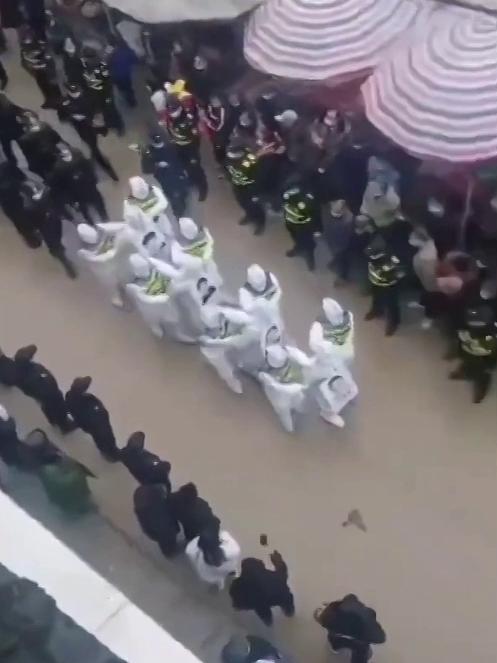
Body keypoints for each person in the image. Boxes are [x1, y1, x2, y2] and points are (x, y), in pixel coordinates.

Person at [126, 253, 194, 341]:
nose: (144, 270)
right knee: (153, 320)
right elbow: (135, 295)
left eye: (145, 266)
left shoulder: (157, 274)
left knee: (174, 319)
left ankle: (178, 333)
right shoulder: (134, 285)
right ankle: (155, 326)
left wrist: (183, 285)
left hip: (165, 304)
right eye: (140, 268)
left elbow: (171, 286)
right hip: (149, 308)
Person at [20, 180, 77, 279]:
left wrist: (36, 231)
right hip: (54, 219)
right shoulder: (45, 193)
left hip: (45, 226)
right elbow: (56, 204)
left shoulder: (28, 206)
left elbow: (33, 221)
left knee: (54, 246)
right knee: (57, 238)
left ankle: (66, 263)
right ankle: (62, 253)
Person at [61, 82, 118, 180]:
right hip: (82, 128)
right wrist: (73, 117)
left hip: (91, 124)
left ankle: (101, 160)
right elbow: (64, 116)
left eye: (77, 92)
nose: (76, 94)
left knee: (94, 145)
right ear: (69, 92)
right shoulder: (67, 102)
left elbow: (94, 108)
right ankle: (102, 162)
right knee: (92, 146)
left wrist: (91, 117)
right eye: (73, 93)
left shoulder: (86, 96)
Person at [13, 345, 75, 433]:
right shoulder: (27, 374)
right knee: (55, 404)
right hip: (48, 393)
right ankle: (64, 426)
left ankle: (53, 420)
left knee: (48, 404)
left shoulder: (22, 368)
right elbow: (35, 387)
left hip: (44, 392)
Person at [199, 303, 259, 394]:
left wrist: (210, 341)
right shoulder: (238, 316)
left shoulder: (247, 335)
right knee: (223, 367)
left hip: (223, 339)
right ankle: (232, 381)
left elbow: (230, 342)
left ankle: (242, 369)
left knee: (242, 354)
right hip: (216, 340)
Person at [77, 222, 137, 308]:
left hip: (114, 262)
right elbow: (101, 258)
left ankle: (125, 287)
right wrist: (113, 247)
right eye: (93, 244)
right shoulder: (84, 252)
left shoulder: (102, 230)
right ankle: (116, 298)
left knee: (123, 275)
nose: (96, 244)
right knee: (111, 284)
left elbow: (121, 227)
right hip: (102, 269)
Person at [229, 551, 295, 626]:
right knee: (287, 597)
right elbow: (282, 572)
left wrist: (237, 606)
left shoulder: (238, 583)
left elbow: (233, 593)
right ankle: (289, 613)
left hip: (257, 602)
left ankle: (268, 624)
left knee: (262, 610)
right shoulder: (271, 576)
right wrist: (278, 561)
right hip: (275, 597)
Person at [314, 594, 386, 663]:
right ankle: (336, 644)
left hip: (355, 631)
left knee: (357, 646)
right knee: (360, 649)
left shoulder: (348, 603)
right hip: (361, 632)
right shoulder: (364, 615)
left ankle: (335, 645)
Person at [49, 143, 108, 222]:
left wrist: (93, 180)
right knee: (85, 210)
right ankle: (92, 222)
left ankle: (104, 219)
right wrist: (71, 200)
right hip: (77, 193)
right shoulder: (59, 167)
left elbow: (89, 168)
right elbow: (62, 185)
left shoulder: (78, 156)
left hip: (88, 187)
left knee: (99, 204)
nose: (65, 152)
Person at [258, 344, 310, 433]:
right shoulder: (294, 362)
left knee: (285, 415)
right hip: (297, 391)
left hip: (282, 398)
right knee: (299, 406)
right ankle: (301, 417)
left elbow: (265, 380)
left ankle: (290, 432)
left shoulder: (267, 376)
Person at [450, 305, 497, 403]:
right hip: (473, 348)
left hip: (487, 353)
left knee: (483, 373)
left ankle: (481, 391)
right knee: (469, 360)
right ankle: (464, 373)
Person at [65, 376, 119, 460]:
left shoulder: (69, 395)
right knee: (104, 440)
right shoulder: (88, 401)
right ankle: (109, 454)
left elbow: (70, 409)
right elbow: (99, 413)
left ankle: (107, 451)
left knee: (100, 439)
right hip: (96, 427)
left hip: (86, 424)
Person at [165, 94, 207, 202]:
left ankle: (203, 187)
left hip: (190, 147)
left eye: (174, 109)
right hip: (179, 145)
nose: (171, 111)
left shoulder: (188, 120)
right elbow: (169, 128)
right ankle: (192, 179)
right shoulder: (169, 116)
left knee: (196, 167)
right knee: (185, 165)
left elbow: (195, 136)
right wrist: (173, 139)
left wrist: (193, 153)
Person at [140, 130, 189, 219]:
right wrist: (157, 165)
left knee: (181, 191)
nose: (160, 145)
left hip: (177, 174)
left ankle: (182, 201)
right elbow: (146, 169)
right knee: (174, 196)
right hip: (166, 179)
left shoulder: (172, 147)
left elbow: (182, 158)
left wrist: (184, 170)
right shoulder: (149, 152)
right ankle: (179, 211)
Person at [365, 235, 405, 336]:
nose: (372, 257)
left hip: (389, 283)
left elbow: (400, 270)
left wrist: (394, 274)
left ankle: (394, 322)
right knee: (376, 297)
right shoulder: (372, 250)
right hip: (375, 280)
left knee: (392, 304)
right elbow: (369, 258)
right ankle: (376, 310)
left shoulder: (392, 257)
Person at [186, 517, 241, 590]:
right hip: (228, 567)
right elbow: (225, 534)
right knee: (231, 571)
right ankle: (231, 576)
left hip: (207, 574)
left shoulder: (191, 549)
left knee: (218, 579)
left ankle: (220, 586)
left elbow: (191, 555)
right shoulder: (233, 549)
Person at [225, 140, 265, 235]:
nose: (232, 156)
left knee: (255, 205)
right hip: (237, 184)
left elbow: (258, 174)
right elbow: (227, 169)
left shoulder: (249, 159)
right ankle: (249, 215)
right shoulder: (229, 158)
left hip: (250, 186)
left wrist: (257, 191)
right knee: (241, 201)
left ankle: (260, 223)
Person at [81, 46, 124, 135]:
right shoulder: (88, 64)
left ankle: (118, 126)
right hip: (95, 92)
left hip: (104, 93)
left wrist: (108, 96)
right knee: (102, 110)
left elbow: (107, 82)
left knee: (111, 110)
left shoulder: (100, 67)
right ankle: (110, 124)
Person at [0, 160, 40, 248]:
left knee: (19, 220)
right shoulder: (7, 166)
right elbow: (23, 179)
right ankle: (33, 231)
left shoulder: (6, 167)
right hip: (16, 197)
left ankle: (31, 235)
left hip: (8, 203)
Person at [408, 226, 441, 330]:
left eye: (412, 238)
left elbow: (431, 277)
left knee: (432, 295)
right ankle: (422, 303)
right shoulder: (425, 245)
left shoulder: (430, 254)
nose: (410, 240)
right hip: (424, 277)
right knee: (425, 290)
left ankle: (429, 316)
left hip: (431, 281)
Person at [133, 484, 180, 557]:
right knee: (166, 536)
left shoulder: (142, 497)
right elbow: (165, 527)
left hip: (152, 528)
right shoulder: (158, 513)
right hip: (160, 529)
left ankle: (168, 551)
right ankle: (169, 552)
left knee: (164, 536)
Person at [282, 184, 320, 271]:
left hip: (305, 226)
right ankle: (298, 248)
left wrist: (318, 229)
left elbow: (316, 213)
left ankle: (310, 257)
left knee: (308, 243)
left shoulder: (309, 198)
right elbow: (285, 205)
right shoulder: (287, 191)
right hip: (291, 221)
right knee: (295, 237)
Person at [309, 298, 355, 365]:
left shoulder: (319, 325)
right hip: (347, 354)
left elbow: (314, 344)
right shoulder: (349, 316)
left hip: (329, 359)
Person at [20, 35, 61, 109]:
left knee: (52, 86)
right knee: (43, 86)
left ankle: (56, 102)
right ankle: (49, 100)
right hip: (39, 72)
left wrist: (40, 65)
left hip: (47, 71)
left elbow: (48, 58)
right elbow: (24, 62)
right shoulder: (26, 50)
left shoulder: (43, 47)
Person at [17, 111, 62, 179]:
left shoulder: (23, 139)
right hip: (54, 153)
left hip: (42, 162)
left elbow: (28, 155)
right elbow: (57, 139)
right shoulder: (45, 126)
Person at [239, 264, 283, 332]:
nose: (261, 288)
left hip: (275, 307)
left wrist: (273, 301)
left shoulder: (271, 276)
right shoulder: (244, 291)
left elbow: (279, 290)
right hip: (260, 315)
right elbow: (247, 308)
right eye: (257, 285)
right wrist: (259, 303)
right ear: (250, 283)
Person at [322, 199, 356, 284]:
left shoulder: (328, 219)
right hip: (342, 246)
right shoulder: (346, 222)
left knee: (337, 256)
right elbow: (350, 231)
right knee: (343, 261)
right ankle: (343, 277)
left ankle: (335, 263)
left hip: (332, 244)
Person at [106, 39, 138, 108]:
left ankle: (127, 99)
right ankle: (131, 101)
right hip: (125, 74)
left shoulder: (109, 53)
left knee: (122, 89)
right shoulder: (124, 51)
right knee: (128, 88)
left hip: (115, 75)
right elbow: (134, 59)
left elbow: (107, 63)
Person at [0, 93, 24, 163]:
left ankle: (12, 162)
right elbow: (21, 112)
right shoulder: (10, 106)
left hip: (3, 132)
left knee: (7, 148)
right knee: (24, 145)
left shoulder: (10, 106)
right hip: (16, 129)